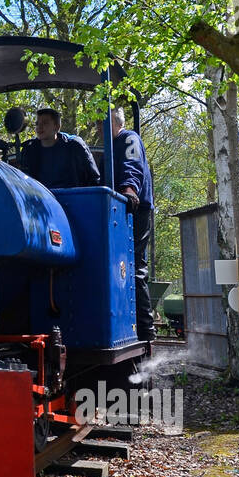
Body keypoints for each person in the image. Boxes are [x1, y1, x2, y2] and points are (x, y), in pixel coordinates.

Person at [111, 108, 155, 343]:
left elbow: (133, 165)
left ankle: (146, 330)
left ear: (114, 122)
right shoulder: (112, 145)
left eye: (102, 122)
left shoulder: (128, 138)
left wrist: (129, 188)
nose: (98, 128)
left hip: (135, 208)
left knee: (135, 265)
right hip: (122, 207)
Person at [18, 107, 101, 188]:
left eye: (45, 123)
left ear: (57, 127)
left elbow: (94, 179)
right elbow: (24, 182)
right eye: (37, 124)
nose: (39, 127)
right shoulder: (29, 150)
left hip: (72, 198)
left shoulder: (75, 146)